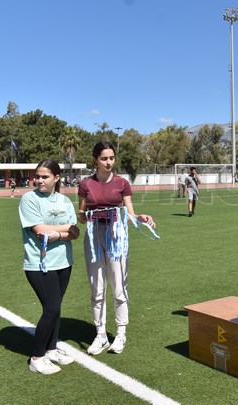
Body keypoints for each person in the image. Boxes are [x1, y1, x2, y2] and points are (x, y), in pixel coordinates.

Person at [78, 142, 156, 355]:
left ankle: (121, 333)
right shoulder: (85, 184)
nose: (109, 162)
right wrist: (84, 216)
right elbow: (81, 216)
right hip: (94, 235)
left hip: (116, 234)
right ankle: (101, 334)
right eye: (104, 158)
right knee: (97, 287)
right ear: (95, 160)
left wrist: (140, 217)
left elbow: (129, 214)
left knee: (119, 286)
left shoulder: (122, 183)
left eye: (111, 158)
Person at [19, 159, 80, 374]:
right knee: (51, 308)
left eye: (44, 177)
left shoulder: (64, 200)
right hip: (40, 264)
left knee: (56, 308)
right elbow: (40, 230)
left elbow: (76, 233)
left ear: (56, 178)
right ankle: (37, 358)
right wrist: (66, 228)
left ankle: (51, 349)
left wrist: (59, 234)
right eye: (37, 176)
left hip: (64, 262)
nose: (39, 180)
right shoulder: (29, 199)